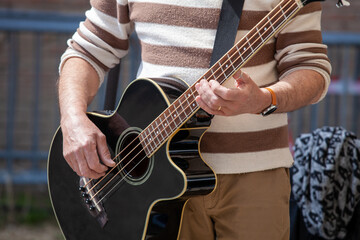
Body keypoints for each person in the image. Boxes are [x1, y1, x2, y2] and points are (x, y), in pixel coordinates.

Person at [57, 0, 331, 239]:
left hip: (255, 177)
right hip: (154, 182)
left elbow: (309, 67)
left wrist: (264, 99)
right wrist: (72, 120)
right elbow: (87, 50)